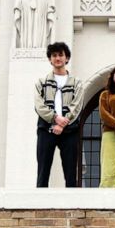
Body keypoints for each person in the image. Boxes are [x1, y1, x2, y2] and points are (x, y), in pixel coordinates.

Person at [35, 42, 84, 187]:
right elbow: (39, 105)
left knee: (70, 173)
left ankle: (73, 206)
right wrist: (55, 118)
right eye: (54, 55)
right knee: (43, 171)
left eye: (61, 55)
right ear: (50, 59)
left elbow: (77, 105)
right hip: (46, 130)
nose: (57, 58)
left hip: (69, 131)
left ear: (67, 58)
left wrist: (63, 123)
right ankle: (39, 205)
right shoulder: (41, 82)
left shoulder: (76, 83)